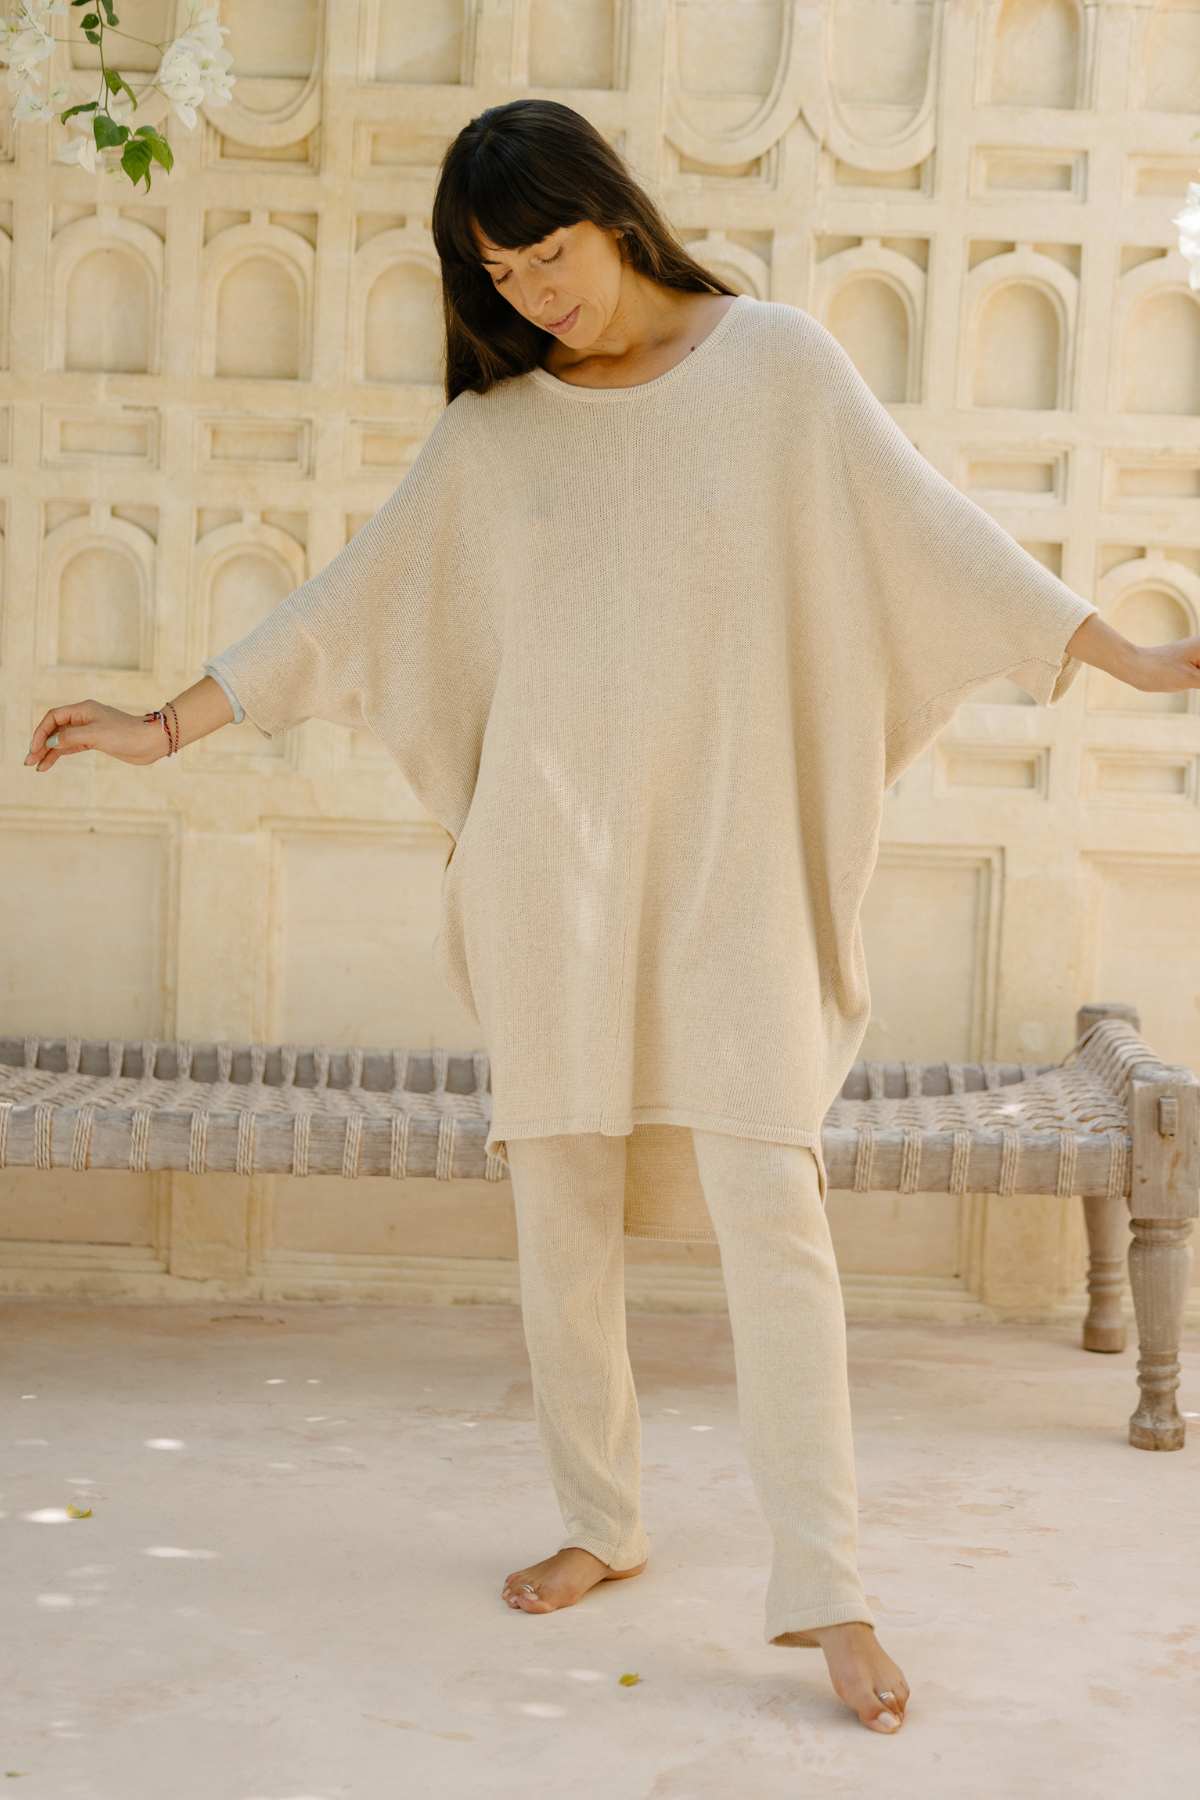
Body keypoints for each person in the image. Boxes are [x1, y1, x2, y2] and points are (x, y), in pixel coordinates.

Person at [24, 99, 1200, 1737]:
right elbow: (343, 610)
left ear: (614, 215)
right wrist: (163, 725)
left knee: (772, 1221)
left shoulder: (778, 370)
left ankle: (831, 1591)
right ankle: (603, 1519)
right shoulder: (497, 438)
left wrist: (1122, 655)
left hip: (736, 877)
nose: (533, 294)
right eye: (500, 273)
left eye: (550, 254)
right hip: (550, 881)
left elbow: (936, 537)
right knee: (558, 1220)